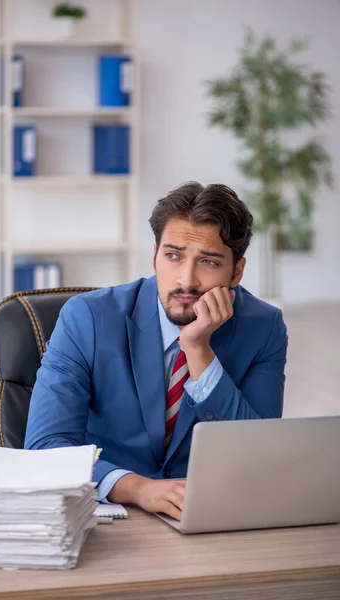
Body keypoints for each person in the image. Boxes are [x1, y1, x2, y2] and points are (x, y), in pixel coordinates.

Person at [24, 182, 288, 520]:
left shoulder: (264, 328)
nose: (186, 280)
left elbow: (259, 453)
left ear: (236, 271)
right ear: (154, 256)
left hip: (210, 515)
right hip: (103, 514)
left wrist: (198, 349)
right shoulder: (87, 318)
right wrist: (137, 488)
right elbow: (46, 447)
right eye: (173, 256)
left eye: (208, 261)